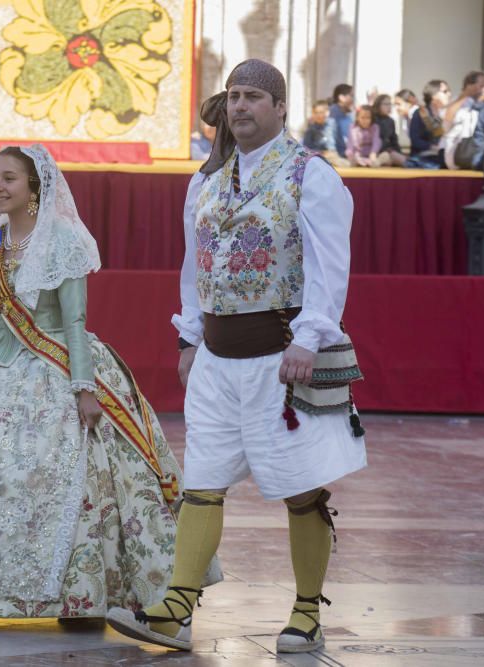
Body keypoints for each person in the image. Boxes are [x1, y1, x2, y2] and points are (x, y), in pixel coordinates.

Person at [0, 144, 221, 620]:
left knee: (63, 481)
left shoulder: (62, 240)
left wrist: (84, 388)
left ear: (34, 186)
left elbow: (75, 321)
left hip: (57, 370)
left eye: (9, 179)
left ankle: (77, 598)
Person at [106, 58, 366, 653]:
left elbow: (330, 267)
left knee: (301, 488)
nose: (241, 106)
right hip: (217, 363)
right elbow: (193, 267)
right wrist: (190, 337)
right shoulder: (206, 181)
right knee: (201, 481)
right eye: (233, 97)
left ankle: (306, 611)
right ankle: (175, 609)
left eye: (253, 97)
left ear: (279, 108)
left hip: (282, 359)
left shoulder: (311, 175)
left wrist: (310, 338)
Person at [407, 79, 451, 168]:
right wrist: (432, 147)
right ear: (433, 95)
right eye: (445, 92)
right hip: (423, 157)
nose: (449, 94)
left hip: (443, 155)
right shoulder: (420, 113)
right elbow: (415, 140)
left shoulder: (447, 113)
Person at [302, 100, 346, 168]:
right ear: (313, 114)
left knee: (345, 164)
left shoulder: (333, 124)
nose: (319, 115)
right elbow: (306, 148)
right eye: (316, 112)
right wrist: (321, 153)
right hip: (318, 158)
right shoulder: (310, 129)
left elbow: (340, 143)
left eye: (321, 112)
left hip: (334, 156)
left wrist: (342, 154)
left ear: (326, 113)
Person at [372, 94, 407, 166]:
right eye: (386, 104)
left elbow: (394, 140)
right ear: (378, 105)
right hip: (375, 153)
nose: (389, 106)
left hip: (389, 151)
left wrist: (398, 152)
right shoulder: (373, 120)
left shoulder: (391, 121)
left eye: (390, 104)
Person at [329, 83, 355, 158]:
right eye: (351, 96)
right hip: (338, 152)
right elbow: (336, 135)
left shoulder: (347, 113)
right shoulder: (334, 111)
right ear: (341, 97)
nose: (353, 99)